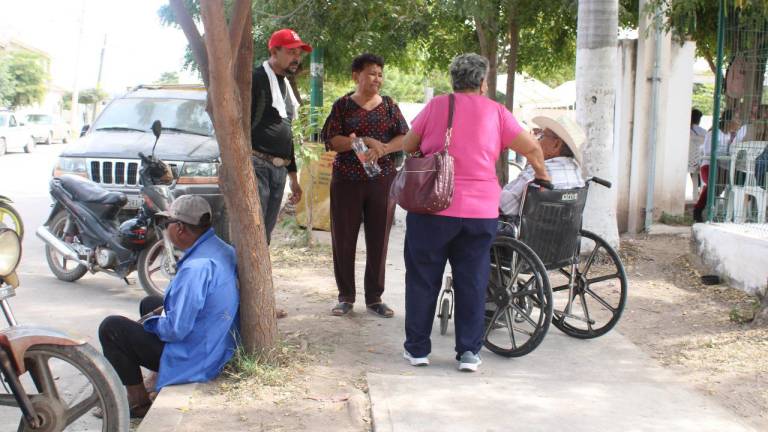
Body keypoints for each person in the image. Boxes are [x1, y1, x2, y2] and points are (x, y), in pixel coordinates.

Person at [399, 53, 549, 372]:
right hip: (481, 211)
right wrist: (542, 175)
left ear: (453, 81)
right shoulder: (497, 112)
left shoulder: (438, 105)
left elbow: (409, 144)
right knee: (473, 279)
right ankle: (468, 352)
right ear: (483, 83)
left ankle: (417, 350)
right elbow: (533, 148)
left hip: (433, 207)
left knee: (423, 276)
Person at [98, 195, 239, 418]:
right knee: (150, 303)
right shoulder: (220, 248)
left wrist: (151, 324)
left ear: (181, 228)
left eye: (168, 224)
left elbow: (176, 330)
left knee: (112, 328)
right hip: (216, 342)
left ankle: (137, 402)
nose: (166, 229)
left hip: (198, 357)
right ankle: (155, 380)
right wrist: (157, 313)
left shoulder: (196, 268)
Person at [321, 53, 409, 318]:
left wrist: (382, 150)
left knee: (379, 239)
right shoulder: (343, 106)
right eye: (372, 73)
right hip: (347, 180)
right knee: (344, 238)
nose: (377, 79)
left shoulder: (390, 106)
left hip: (382, 180)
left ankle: (375, 298)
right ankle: (345, 297)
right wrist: (364, 141)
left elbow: (404, 137)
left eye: (380, 74)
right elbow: (332, 140)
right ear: (356, 76)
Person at [251, 28, 312, 244]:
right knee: (253, 230)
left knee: (264, 233)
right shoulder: (256, 79)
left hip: (278, 170)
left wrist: (293, 178)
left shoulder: (284, 84)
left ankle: (257, 277)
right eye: (291, 52)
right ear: (274, 52)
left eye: (299, 53)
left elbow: (287, 134)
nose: (297, 58)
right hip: (257, 165)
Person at [500, 115, 586, 217]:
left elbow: (504, 206)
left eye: (542, 136)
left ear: (556, 145)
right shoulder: (576, 171)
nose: (537, 141)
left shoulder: (539, 170)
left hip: (527, 231)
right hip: (562, 231)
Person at [693, 109, 741, 222]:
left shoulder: (731, 135)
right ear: (729, 120)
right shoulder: (714, 132)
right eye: (737, 118)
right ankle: (698, 210)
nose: (739, 121)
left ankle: (726, 213)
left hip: (723, 168)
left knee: (733, 180)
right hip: (709, 166)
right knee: (715, 183)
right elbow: (709, 152)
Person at [689, 109, 706, 197]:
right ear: (699, 119)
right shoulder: (704, 132)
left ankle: (696, 190)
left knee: (692, 166)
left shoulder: (687, 130)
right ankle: (700, 187)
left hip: (689, 162)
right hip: (700, 161)